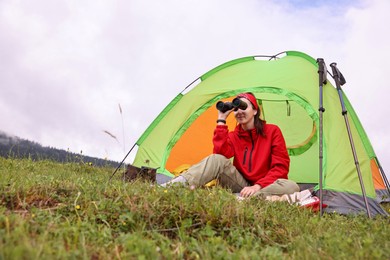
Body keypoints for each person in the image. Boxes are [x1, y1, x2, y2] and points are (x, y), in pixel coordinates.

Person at [161, 92, 299, 198]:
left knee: (292, 187)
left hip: (266, 186)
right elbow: (220, 157)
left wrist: (257, 187)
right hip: (240, 185)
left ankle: (246, 199)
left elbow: (280, 168)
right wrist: (221, 120)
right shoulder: (234, 136)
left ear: (255, 110)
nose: (239, 112)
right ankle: (175, 186)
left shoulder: (272, 131)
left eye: (244, 107)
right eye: (236, 109)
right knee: (216, 159)